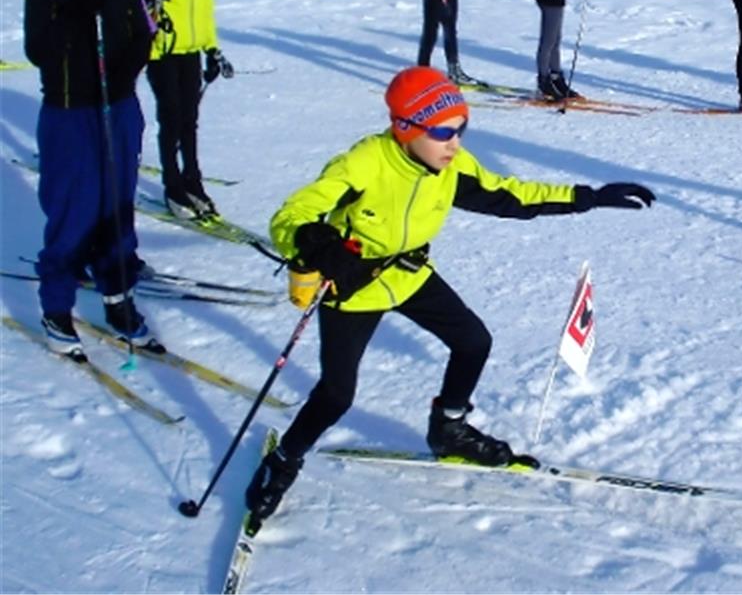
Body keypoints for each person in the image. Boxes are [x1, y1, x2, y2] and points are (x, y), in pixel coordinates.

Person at [244, 66, 656, 522]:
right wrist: (312, 243)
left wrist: (588, 197)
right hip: (354, 287)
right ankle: (284, 461)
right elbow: (293, 213)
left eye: (461, 130)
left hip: (409, 274)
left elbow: (510, 195)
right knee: (337, 395)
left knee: (473, 341)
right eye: (443, 132)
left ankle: (450, 430)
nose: (455, 143)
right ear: (405, 129)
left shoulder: (451, 166)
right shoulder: (364, 163)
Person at [24, 0, 156, 356]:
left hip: (117, 105)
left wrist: (126, 68)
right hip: (69, 110)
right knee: (74, 207)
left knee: (117, 206)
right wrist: (74, 15)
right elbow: (37, 49)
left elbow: (141, 33)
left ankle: (118, 296)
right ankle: (56, 304)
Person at [136, 0, 233, 220]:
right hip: (163, 54)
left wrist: (212, 48)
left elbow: (203, 11)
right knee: (172, 119)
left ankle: (193, 180)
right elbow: (134, 9)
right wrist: (149, 10)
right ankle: (172, 185)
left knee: (190, 120)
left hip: (192, 51)